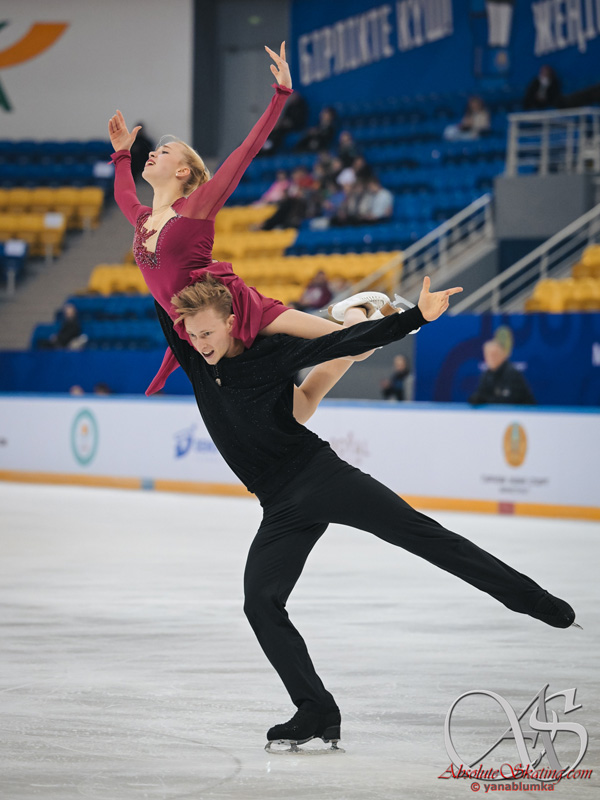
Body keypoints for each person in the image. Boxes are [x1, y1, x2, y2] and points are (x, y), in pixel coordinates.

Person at [155, 273, 577, 752]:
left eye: (207, 332)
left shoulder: (269, 354)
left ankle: (533, 599)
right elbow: (157, 270)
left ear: (232, 323)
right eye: (192, 334)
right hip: (279, 506)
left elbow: (345, 344)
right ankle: (315, 709)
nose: (199, 342)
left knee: (421, 534)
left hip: (319, 476)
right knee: (260, 602)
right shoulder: (193, 355)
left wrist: (416, 318)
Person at [109, 43, 366, 397]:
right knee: (295, 408)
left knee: (356, 345)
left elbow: (246, 152)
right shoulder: (143, 221)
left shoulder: (197, 208)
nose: (152, 152)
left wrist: (281, 95)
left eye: (163, 151)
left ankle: (355, 313)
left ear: (183, 171)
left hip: (237, 310)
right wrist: (122, 154)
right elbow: (124, 195)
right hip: (204, 333)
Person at [469, 339, 536, 405]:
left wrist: (485, 399)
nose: (491, 358)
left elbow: (509, 401)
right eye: (488, 355)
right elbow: (478, 395)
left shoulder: (512, 374)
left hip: (523, 411)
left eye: (494, 354)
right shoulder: (486, 375)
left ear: (503, 355)